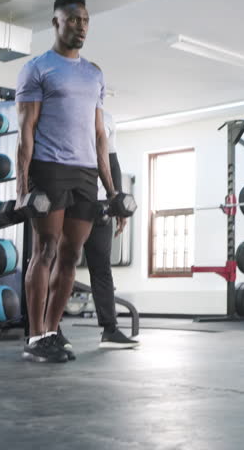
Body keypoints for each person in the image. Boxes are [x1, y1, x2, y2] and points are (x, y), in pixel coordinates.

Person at [15, 0, 117, 363]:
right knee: (45, 249)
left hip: (85, 172)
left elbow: (99, 135)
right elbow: (26, 132)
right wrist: (21, 189)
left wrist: (111, 188)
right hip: (49, 166)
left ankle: (52, 332)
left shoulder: (94, 74)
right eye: (73, 19)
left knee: (72, 255)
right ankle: (35, 335)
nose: (81, 26)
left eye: (85, 20)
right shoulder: (38, 68)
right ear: (56, 22)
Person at [81, 103, 139, 348]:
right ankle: (43, 331)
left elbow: (112, 162)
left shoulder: (108, 119)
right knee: (55, 265)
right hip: (73, 201)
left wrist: (118, 206)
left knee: (102, 267)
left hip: (100, 206)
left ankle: (110, 330)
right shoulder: (67, 112)